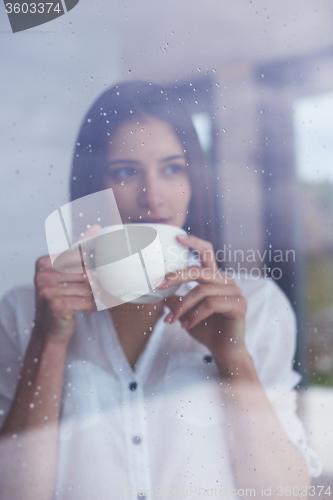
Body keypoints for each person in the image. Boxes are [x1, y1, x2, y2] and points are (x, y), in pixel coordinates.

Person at [0, 81, 321, 500]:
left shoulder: (256, 306)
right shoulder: (27, 311)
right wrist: (49, 343)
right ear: (92, 189)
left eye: (173, 168)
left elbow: (283, 493)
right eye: (127, 172)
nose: (153, 196)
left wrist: (234, 360)